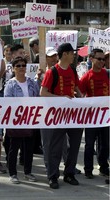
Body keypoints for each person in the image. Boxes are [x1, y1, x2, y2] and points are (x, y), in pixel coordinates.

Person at [40, 43, 83, 189]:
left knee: (75, 145)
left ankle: (69, 173)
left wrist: (84, 99)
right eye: (72, 53)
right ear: (65, 54)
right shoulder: (52, 72)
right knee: (55, 147)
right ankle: (53, 176)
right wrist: (61, 98)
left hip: (73, 115)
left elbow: (76, 88)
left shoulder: (72, 70)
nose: (74, 56)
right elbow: (43, 93)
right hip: (56, 115)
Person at [4, 56, 39, 184]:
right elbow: (8, 101)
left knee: (29, 147)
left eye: (23, 65)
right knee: (14, 147)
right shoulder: (10, 84)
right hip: (16, 119)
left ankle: (28, 172)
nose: (21, 68)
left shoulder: (31, 82)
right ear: (13, 68)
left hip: (30, 118)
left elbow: (38, 97)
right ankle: (12, 173)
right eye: (18, 66)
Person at [79, 48, 109, 179]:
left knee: (105, 143)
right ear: (91, 59)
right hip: (91, 116)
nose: (102, 62)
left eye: (103, 59)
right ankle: (88, 169)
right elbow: (79, 95)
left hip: (106, 116)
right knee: (90, 144)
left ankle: (104, 167)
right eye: (99, 59)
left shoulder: (107, 74)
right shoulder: (86, 77)